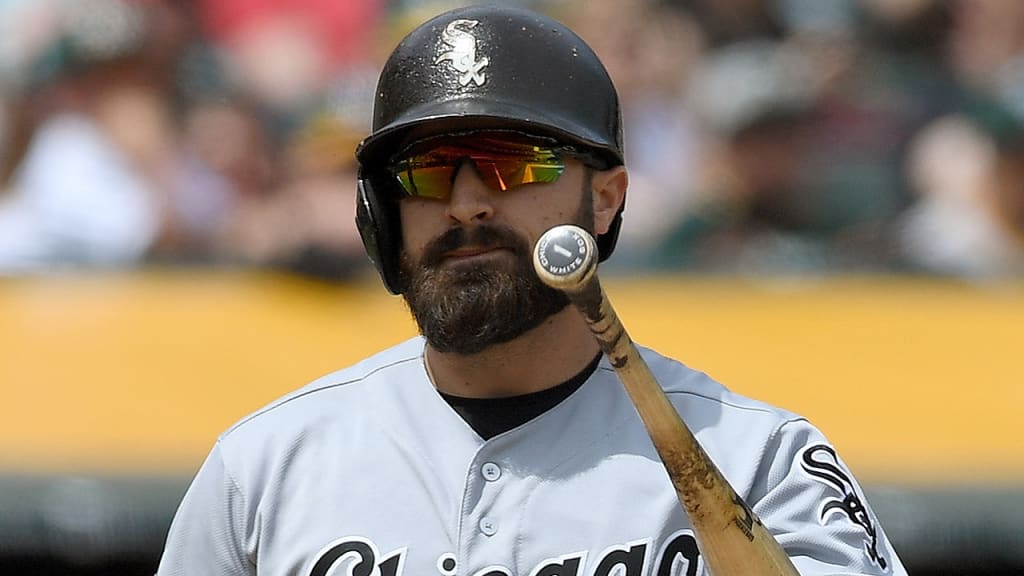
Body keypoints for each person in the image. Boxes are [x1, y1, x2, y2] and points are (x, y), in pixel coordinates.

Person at [156, 5, 908, 575]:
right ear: (380, 215)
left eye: (515, 163)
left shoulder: (761, 462)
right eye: (426, 170)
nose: (467, 204)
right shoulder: (263, 469)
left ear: (607, 198)